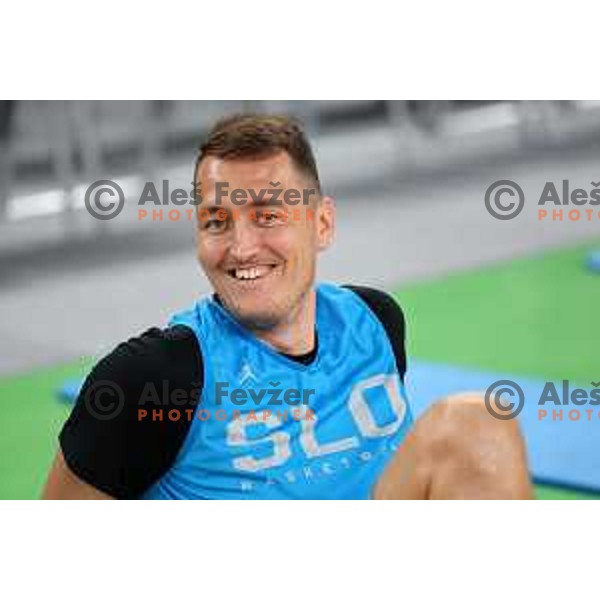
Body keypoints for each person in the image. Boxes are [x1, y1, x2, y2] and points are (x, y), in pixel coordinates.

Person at [42, 114, 532, 499]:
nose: (241, 247)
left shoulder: (376, 321)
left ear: (321, 224)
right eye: (216, 222)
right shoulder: (152, 376)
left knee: (476, 424)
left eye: (267, 216)